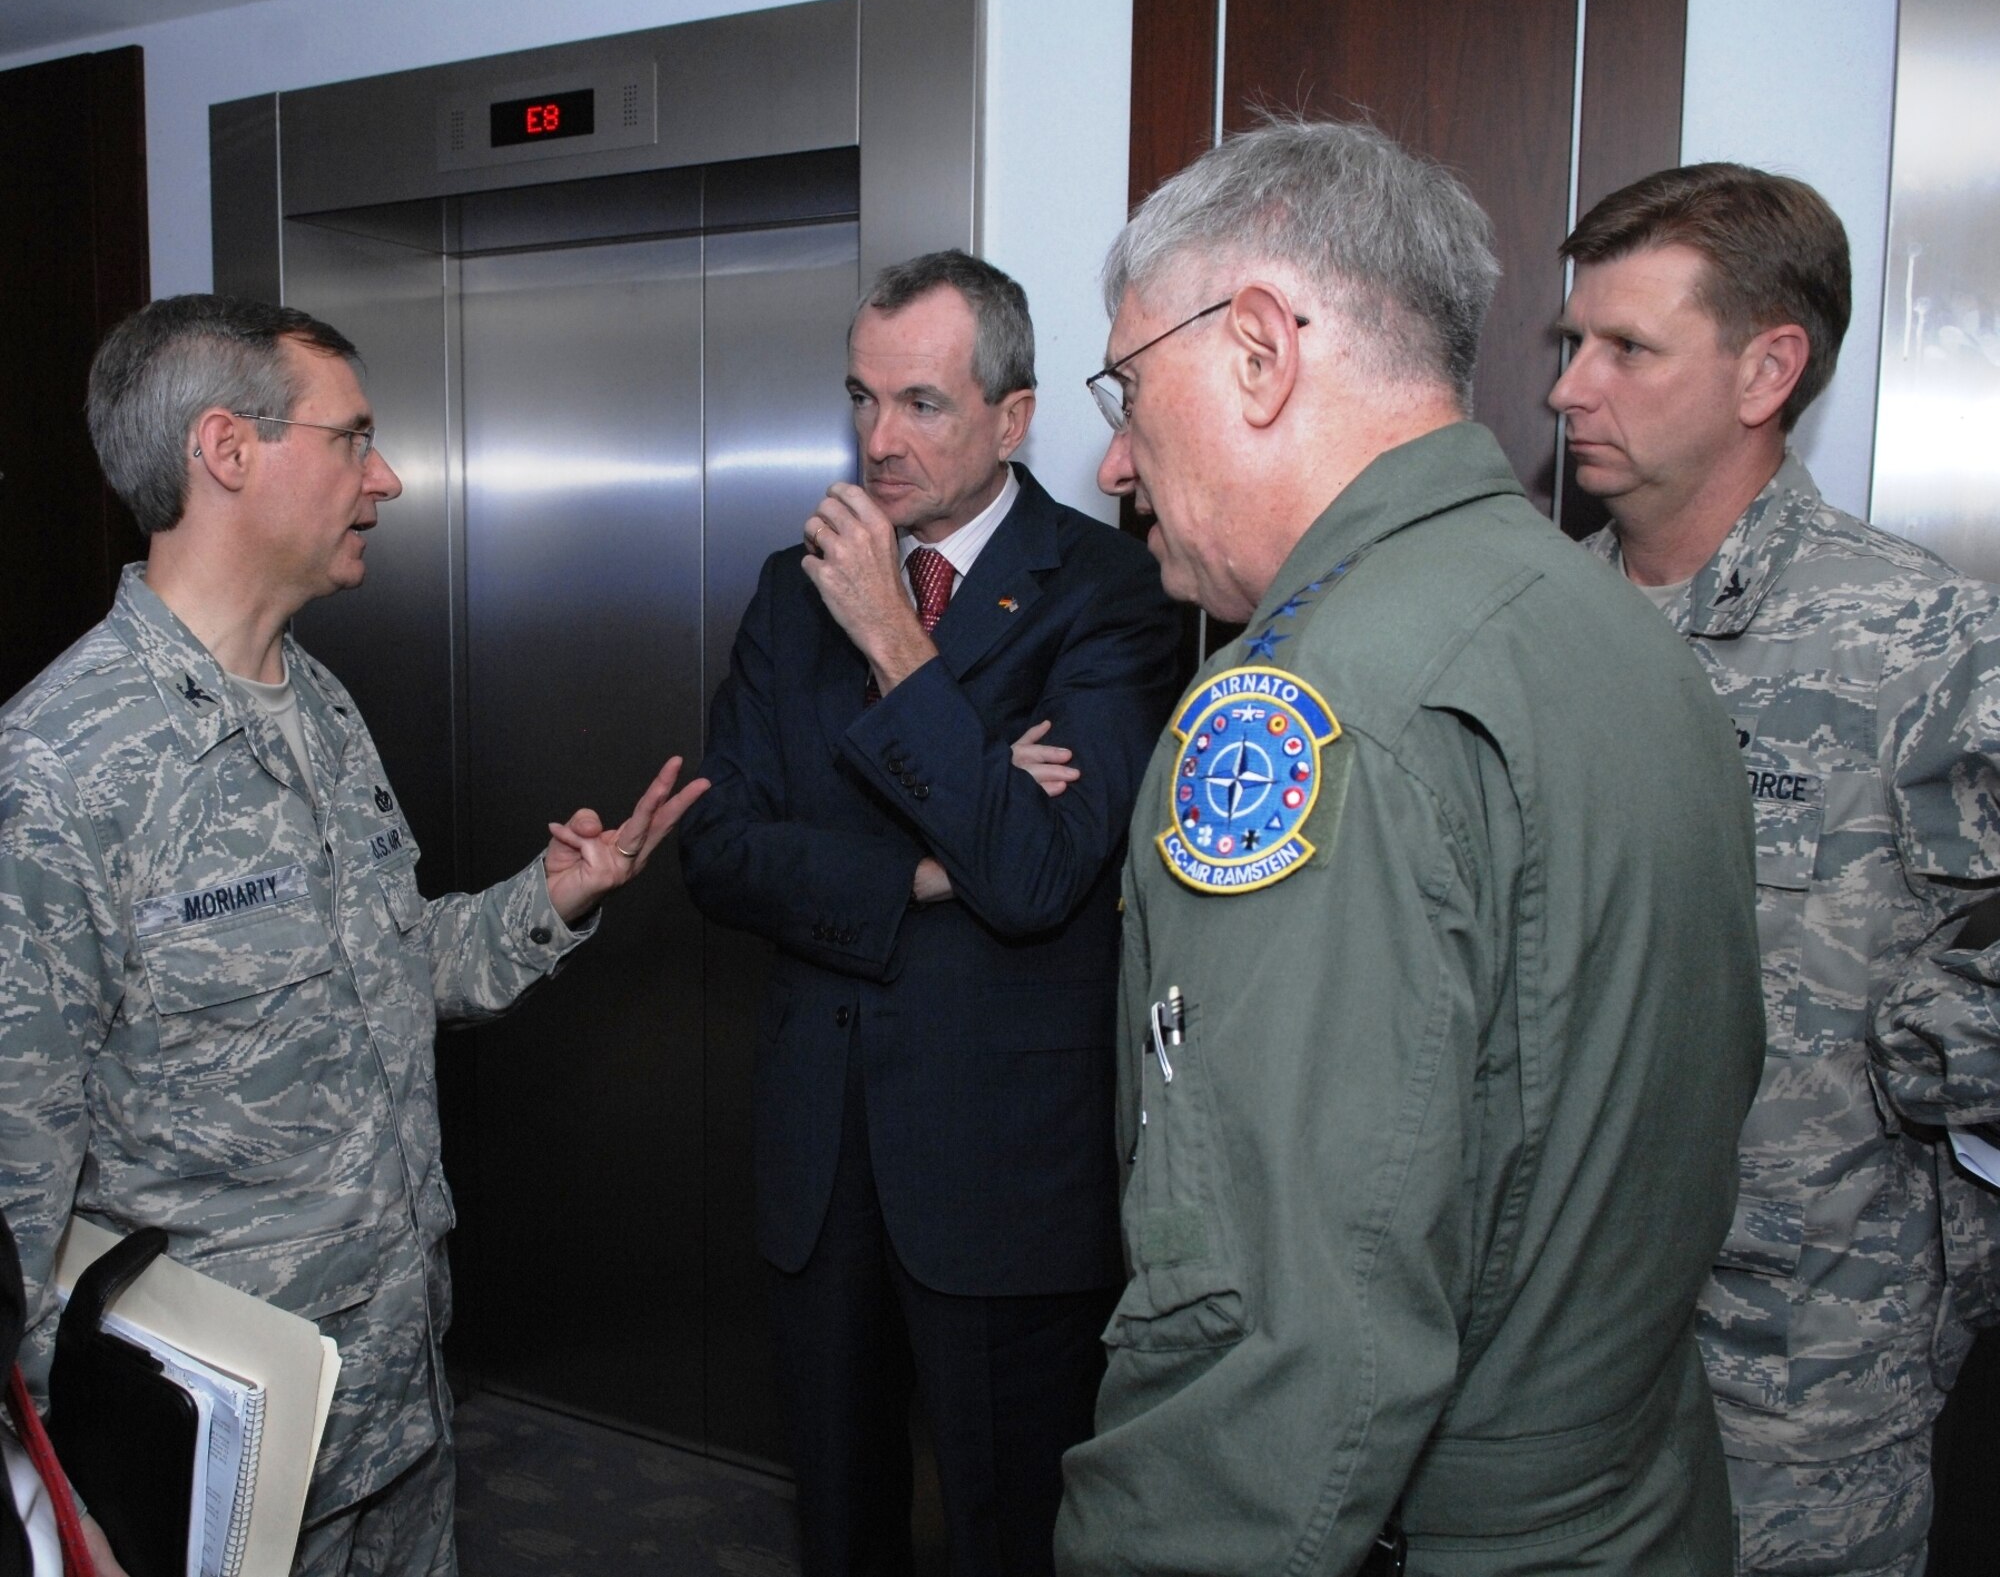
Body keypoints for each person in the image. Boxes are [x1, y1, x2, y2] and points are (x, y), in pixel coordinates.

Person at [1051, 118, 1766, 1576]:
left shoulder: (1311, 714)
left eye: (1128, 386)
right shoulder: (1612, 628)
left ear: (1257, 348)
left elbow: (1275, 1340)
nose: (1118, 459)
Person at [0, 294, 707, 1577]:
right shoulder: (57, 774)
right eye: (353, 437)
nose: (382, 477)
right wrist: (52, 1496)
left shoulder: (318, 703)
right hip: (214, 1456)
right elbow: (10, 1195)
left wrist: (546, 904)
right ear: (227, 449)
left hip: (396, 1402)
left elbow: (385, 971)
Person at [678, 249, 1179, 1577]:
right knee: (839, 1523)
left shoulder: (1114, 592)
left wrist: (898, 648)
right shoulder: (799, 588)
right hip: (820, 1154)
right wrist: (923, 861)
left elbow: (1034, 878)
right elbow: (719, 852)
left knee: (1013, 1528)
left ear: (1013, 419)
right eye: (862, 400)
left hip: (1006, 1170)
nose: (877, 441)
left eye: (921, 404)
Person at [1551, 162, 2000, 1577]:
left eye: (1625, 347)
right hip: (1541, 1346)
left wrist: (1882, 1069)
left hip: (1800, 1375)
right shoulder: (1529, 625)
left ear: (1768, 369)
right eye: (1569, 344)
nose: (1570, 388)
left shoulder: (1923, 643)